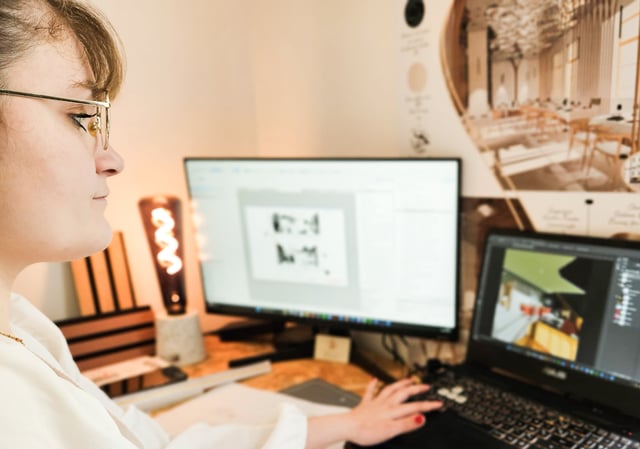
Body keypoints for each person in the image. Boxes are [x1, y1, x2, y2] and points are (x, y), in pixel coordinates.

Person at [0, 1, 443, 448]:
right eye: (80, 116)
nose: (112, 159)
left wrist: (345, 426)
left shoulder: (22, 328)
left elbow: (151, 443)